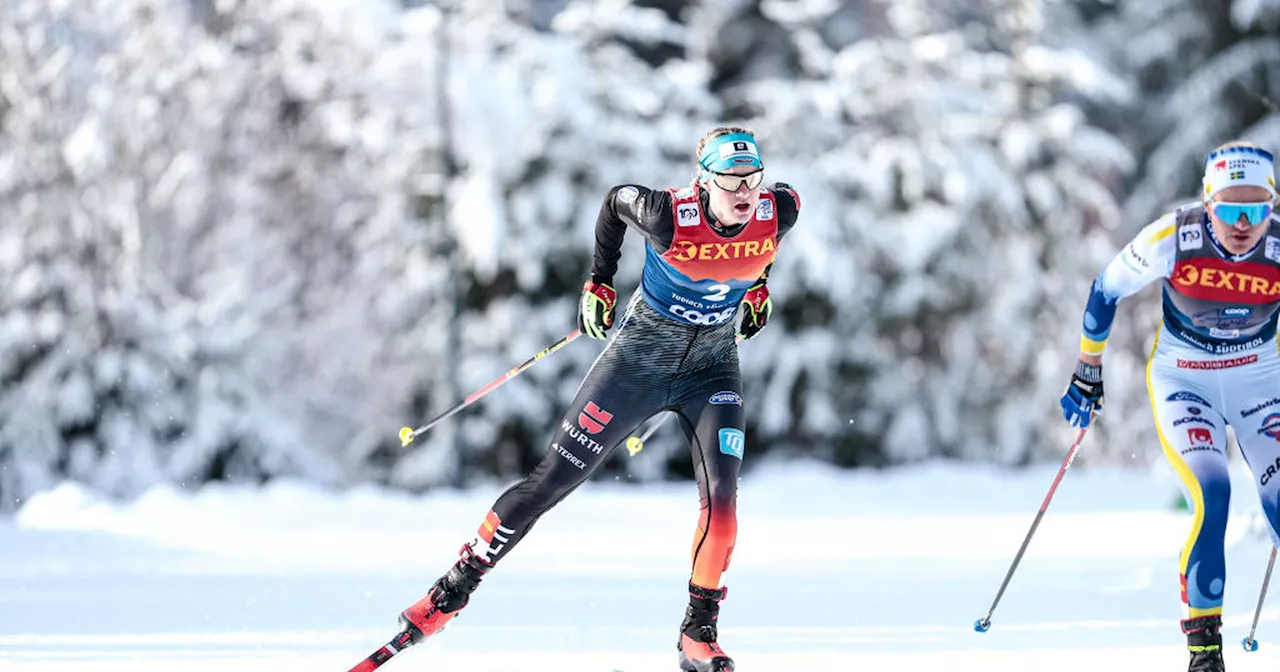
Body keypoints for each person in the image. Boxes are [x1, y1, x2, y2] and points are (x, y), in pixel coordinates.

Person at [394, 126, 800, 672]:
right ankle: (450, 592)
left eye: (753, 180)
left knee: (723, 506)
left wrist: (758, 286)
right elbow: (613, 203)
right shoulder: (663, 215)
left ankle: (698, 632)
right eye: (731, 182)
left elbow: (764, 249)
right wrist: (599, 281)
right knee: (550, 483)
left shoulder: (782, 208)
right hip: (634, 367)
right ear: (704, 183)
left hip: (712, 372)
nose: (746, 193)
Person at [1060, 140, 1280, 672]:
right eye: (1231, 210)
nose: (1244, 224)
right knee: (1213, 493)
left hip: (1260, 383)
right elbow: (1106, 289)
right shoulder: (1172, 237)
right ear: (1208, 205)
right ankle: (1205, 653)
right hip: (1188, 381)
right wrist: (1088, 368)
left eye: (1258, 210)